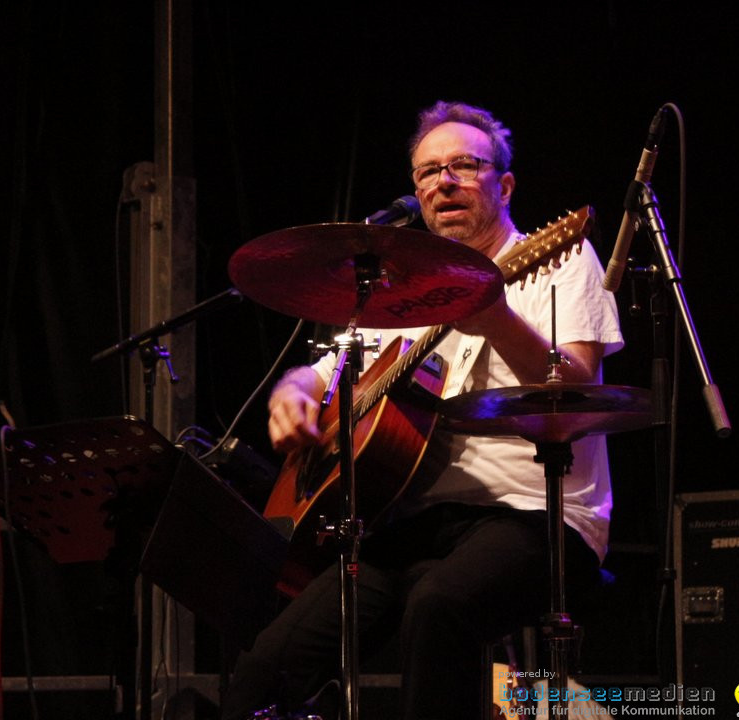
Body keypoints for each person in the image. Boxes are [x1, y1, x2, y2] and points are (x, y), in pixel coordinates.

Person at [223, 101, 623, 720]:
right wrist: (292, 393)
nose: (445, 182)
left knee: (438, 606)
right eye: (429, 172)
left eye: (465, 165)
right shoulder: (399, 284)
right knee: (263, 668)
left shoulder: (561, 263)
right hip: (407, 521)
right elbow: (323, 373)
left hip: (531, 515)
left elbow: (574, 394)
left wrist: (497, 319)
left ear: (504, 184)